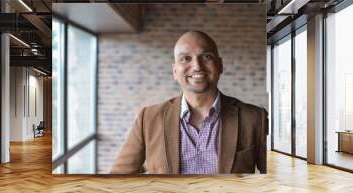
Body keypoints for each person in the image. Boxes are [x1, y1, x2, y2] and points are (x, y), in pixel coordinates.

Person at [110, 30, 267, 174]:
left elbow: (276, 178)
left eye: (206, 56)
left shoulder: (255, 118)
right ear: (175, 71)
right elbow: (119, 178)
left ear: (220, 65)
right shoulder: (148, 118)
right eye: (186, 59)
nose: (197, 66)